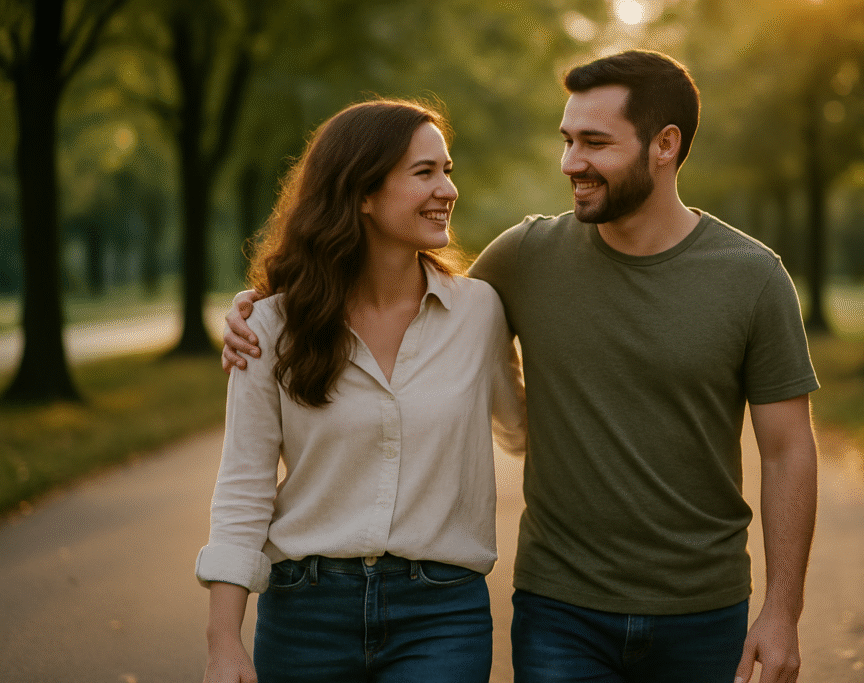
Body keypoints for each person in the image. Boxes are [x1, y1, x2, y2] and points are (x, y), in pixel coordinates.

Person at [223, 50, 818, 683]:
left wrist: (783, 612)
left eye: (595, 143)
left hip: (703, 609)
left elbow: (787, 451)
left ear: (664, 145)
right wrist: (266, 304)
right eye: (567, 140)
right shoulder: (526, 257)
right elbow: (409, 307)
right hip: (561, 608)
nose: (571, 163)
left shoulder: (753, 278)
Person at [198, 98, 526, 683]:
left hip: (442, 615)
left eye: (447, 171)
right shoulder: (270, 328)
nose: (447, 190)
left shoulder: (479, 312)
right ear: (361, 194)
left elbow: (526, 431)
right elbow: (244, 488)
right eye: (424, 173)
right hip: (305, 614)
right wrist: (223, 641)